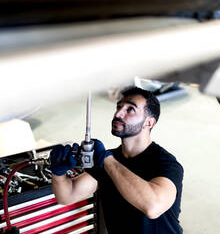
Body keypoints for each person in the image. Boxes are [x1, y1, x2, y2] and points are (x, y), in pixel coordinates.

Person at [49, 87, 184, 234]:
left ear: (149, 123)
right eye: (119, 107)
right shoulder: (108, 159)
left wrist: (107, 160)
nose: (118, 114)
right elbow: (67, 196)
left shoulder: (166, 163)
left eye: (130, 109)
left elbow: (153, 207)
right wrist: (58, 173)